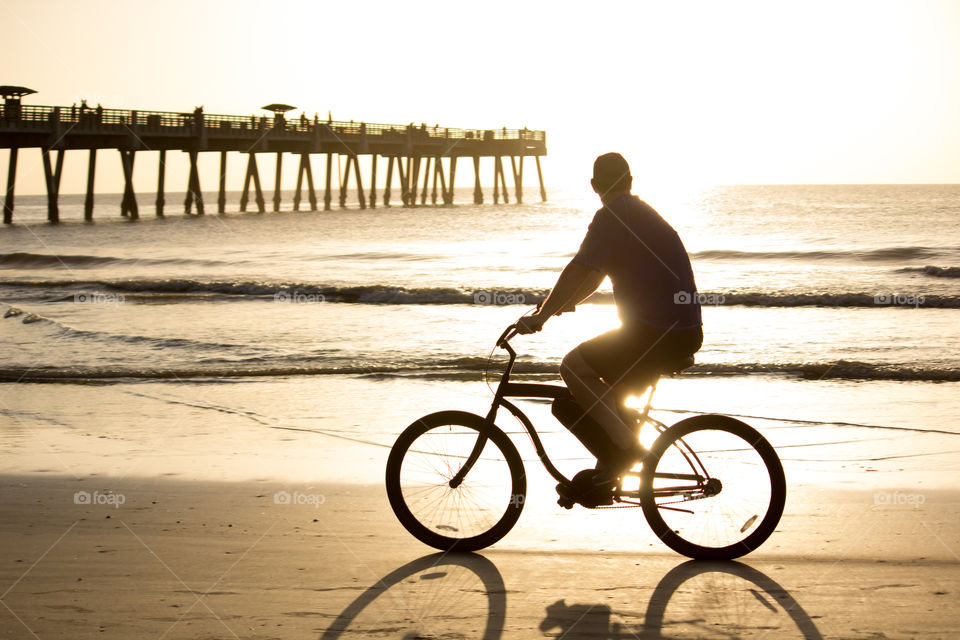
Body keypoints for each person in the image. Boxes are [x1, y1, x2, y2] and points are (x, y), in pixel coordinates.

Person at [517, 152, 703, 486]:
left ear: (594, 186)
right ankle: (608, 473)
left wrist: (543, 314)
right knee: (603, 403)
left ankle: (628, 449)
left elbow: (578, 268)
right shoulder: (638, 213)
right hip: (678, 332)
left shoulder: (612, 217)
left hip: (656, 333)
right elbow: (593, 276)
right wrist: (557, 308)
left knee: (573, 368)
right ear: (631, 182)